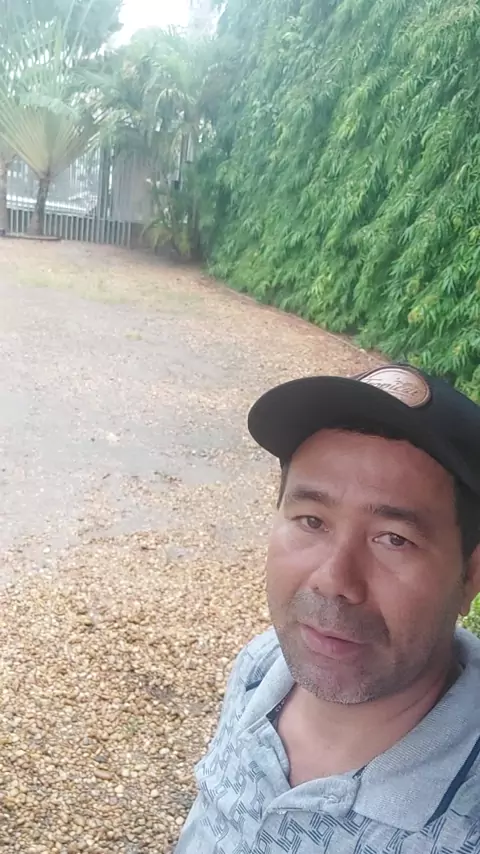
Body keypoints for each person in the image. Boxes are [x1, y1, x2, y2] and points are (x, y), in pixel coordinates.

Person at [174, 363, 480, 854]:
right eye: (312, 520)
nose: (334, 580)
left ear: (470, 576)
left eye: (394, 539)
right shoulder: (260, 668)